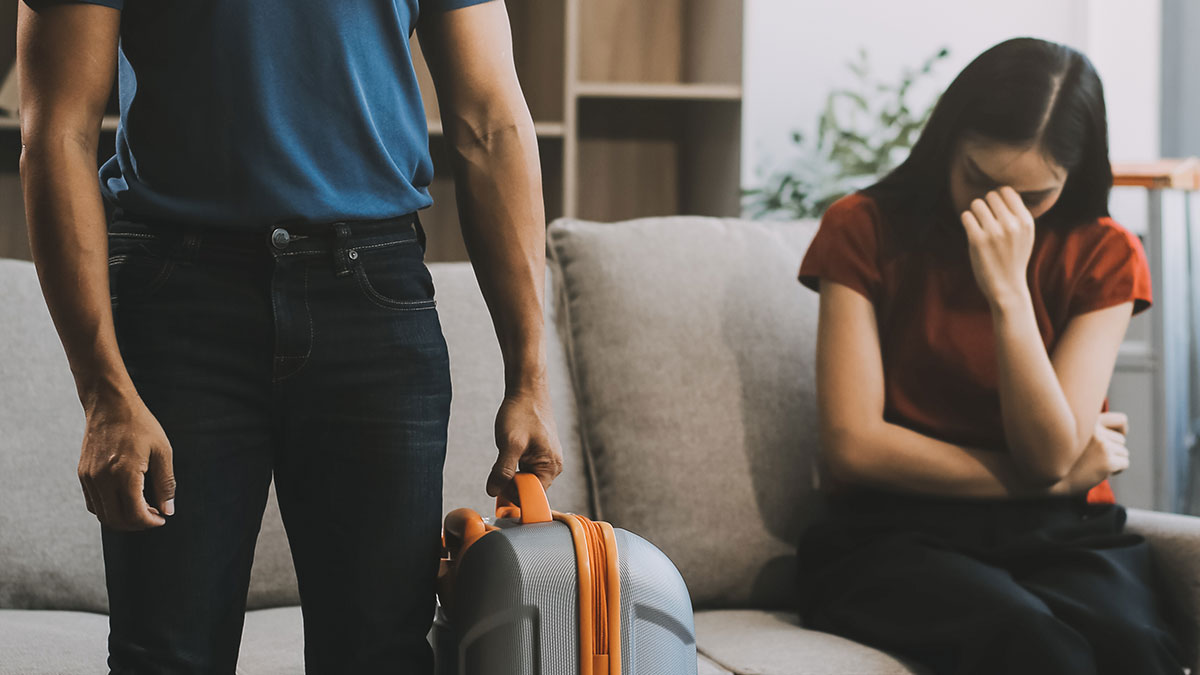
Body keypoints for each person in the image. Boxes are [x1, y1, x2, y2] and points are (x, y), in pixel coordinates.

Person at [15, 0, 564, 672]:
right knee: (165, 657)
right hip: (179, 302)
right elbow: (56, 132)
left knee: (379, 657)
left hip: (373, 300)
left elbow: (491, 123)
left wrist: (530, 379)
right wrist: (103, 393)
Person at [794, 37, 1185, 675]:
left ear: (1073, 176)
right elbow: (853, 446)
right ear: (948, 140)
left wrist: (1008, 293)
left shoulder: (1106, 253)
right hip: (893, 534)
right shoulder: (861, 227)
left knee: (1136, 649)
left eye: (1033, 197)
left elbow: (1047, 451)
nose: (995, 212)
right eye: (978, 177)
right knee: (1036, 645)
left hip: (1061, 533)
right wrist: (1050, 479)